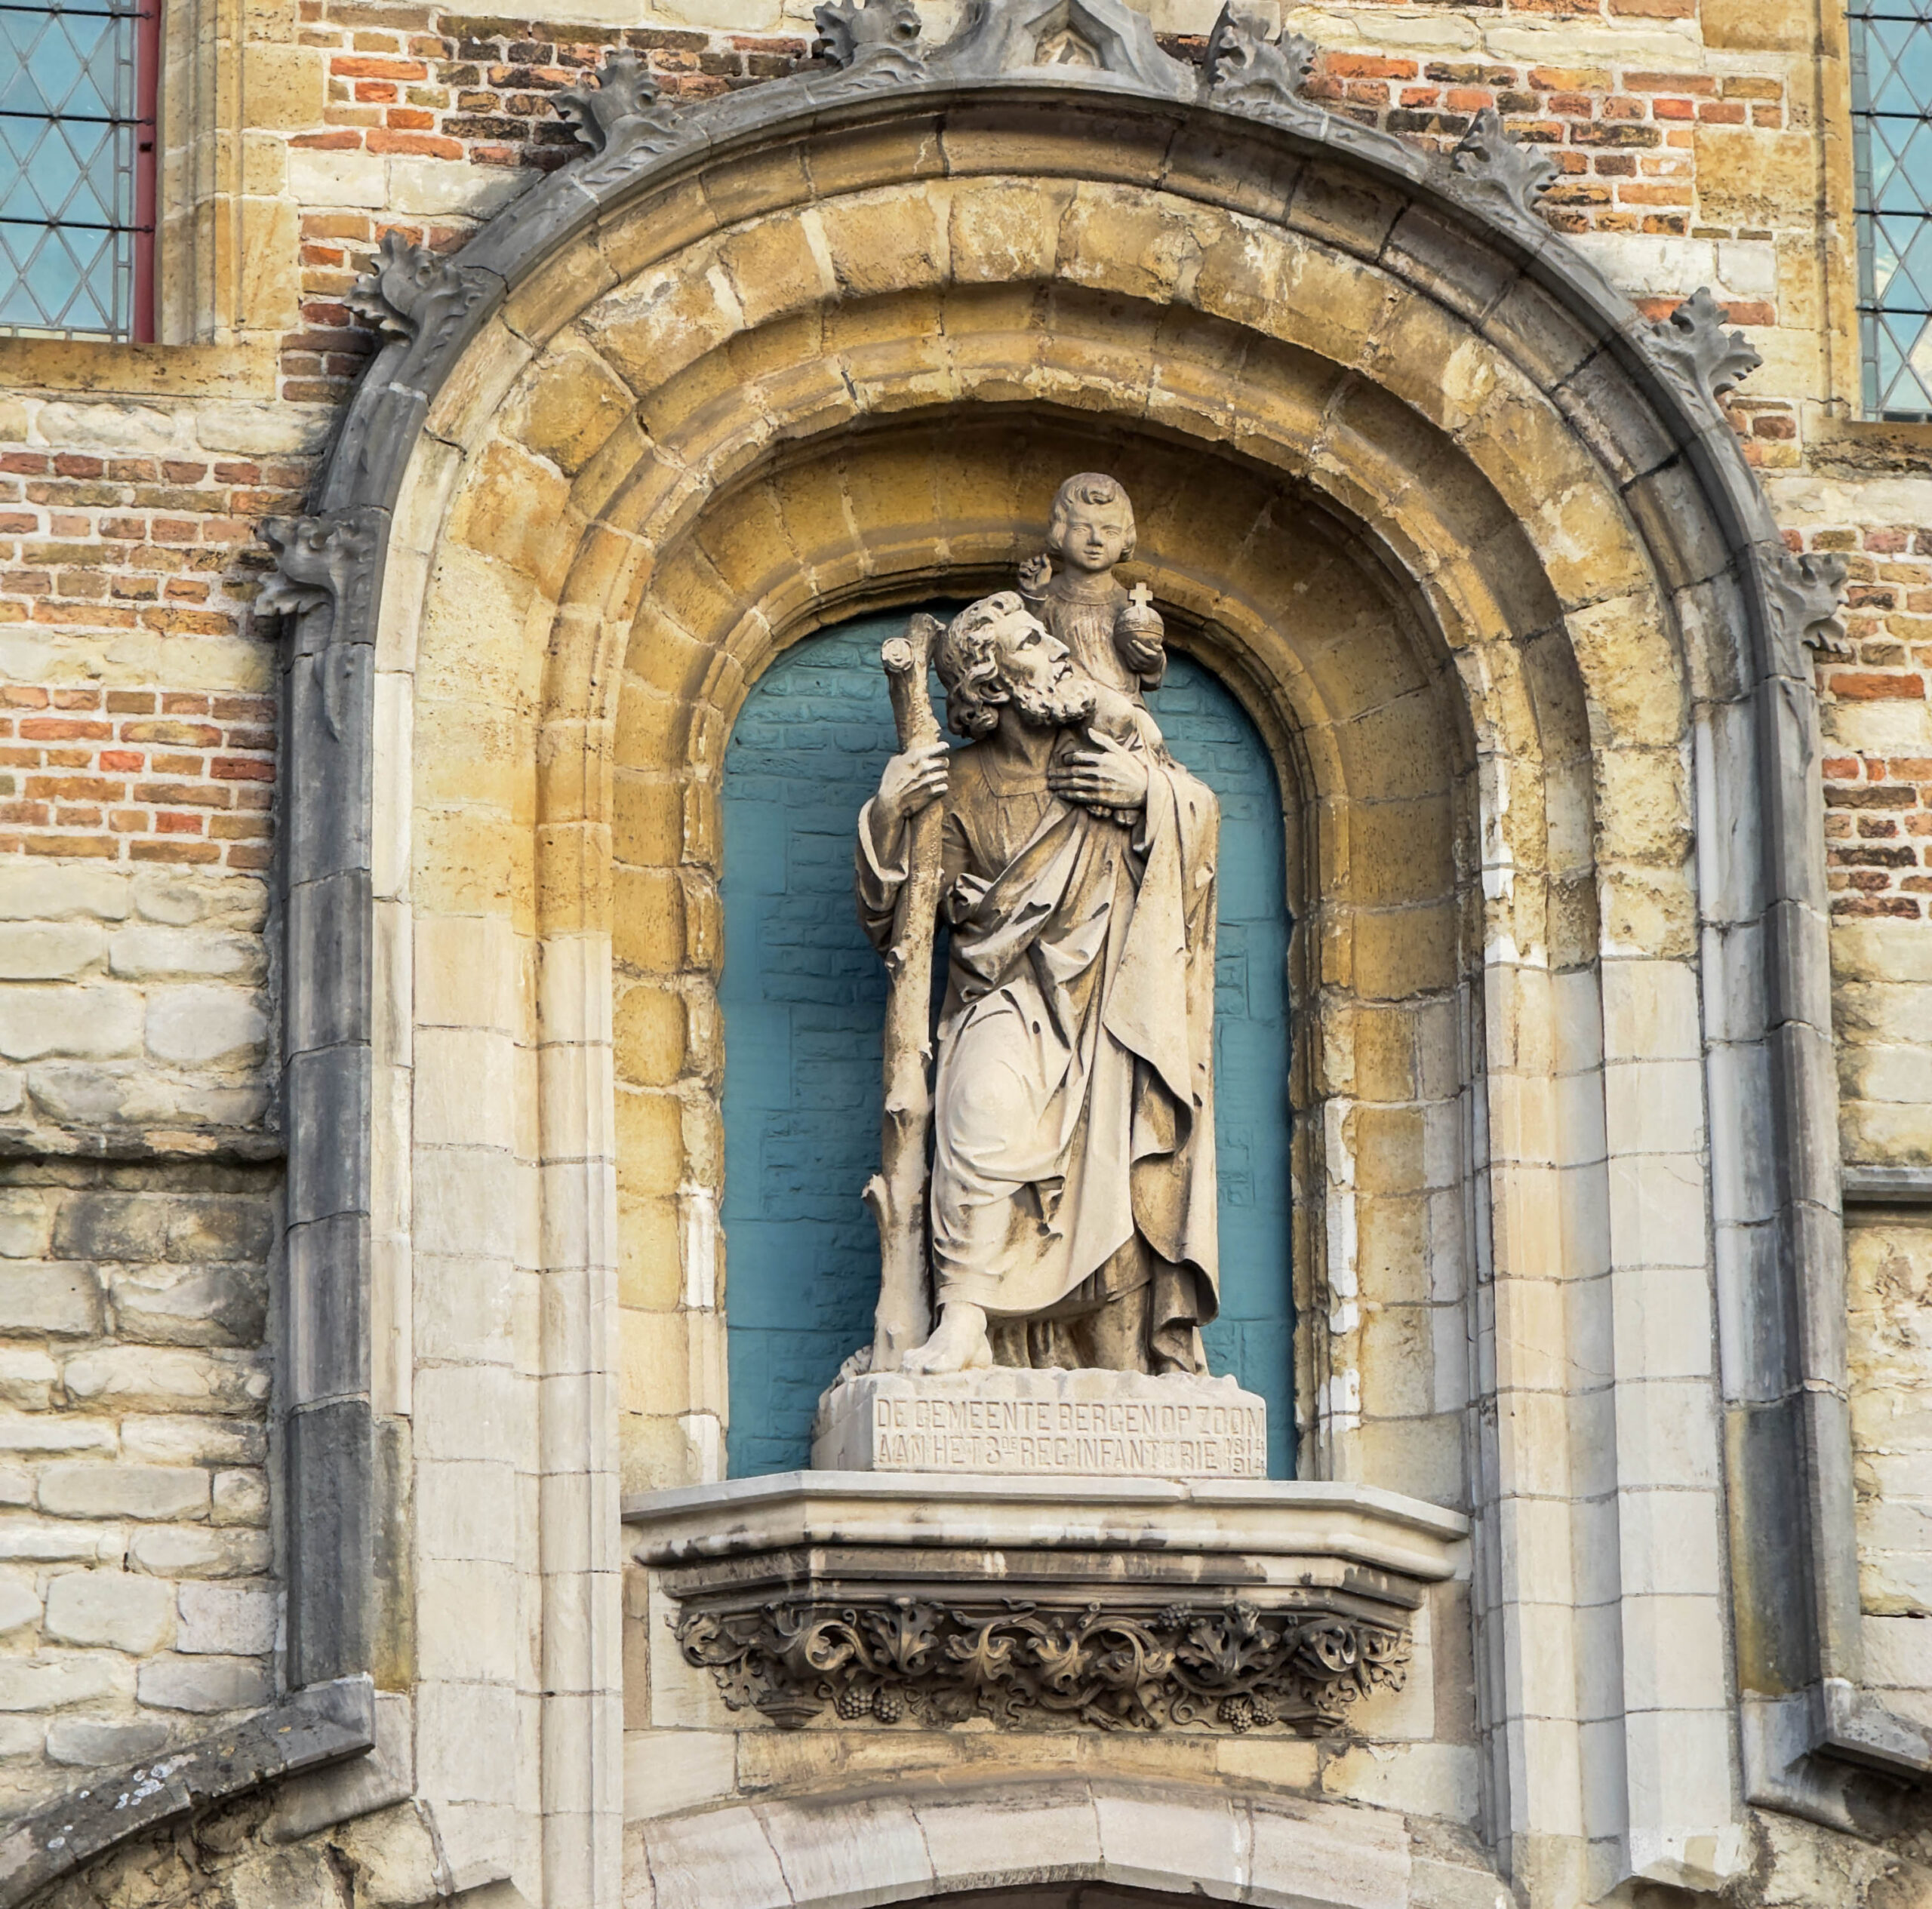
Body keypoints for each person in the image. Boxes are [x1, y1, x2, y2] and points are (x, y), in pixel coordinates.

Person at [854, 590, 1220, 1376]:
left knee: (1122, 1160)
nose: (1056, 650)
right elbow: (902, 919)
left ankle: (1122, 1358)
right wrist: (891, 812)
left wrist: (1147, 794)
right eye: (1030, 642)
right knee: (979, 1108)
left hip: (1114, 1000)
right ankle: (963, 1319)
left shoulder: (1116, 741)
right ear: (990, 681)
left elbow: (1198, 823)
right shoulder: (956, 785)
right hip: (1006, 993)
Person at [1018, 472, 1167, 700]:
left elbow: (1150, 669)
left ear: (1125, 538)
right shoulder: (1048, 596)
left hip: (1124, 714)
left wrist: (1152, 664)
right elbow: (1024, 653)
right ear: (1061, 531)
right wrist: (1034, 598)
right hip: (1063, 713)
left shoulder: (1131, 604)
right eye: (1081, 529)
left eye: (1110, 531)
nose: (1096, 540)